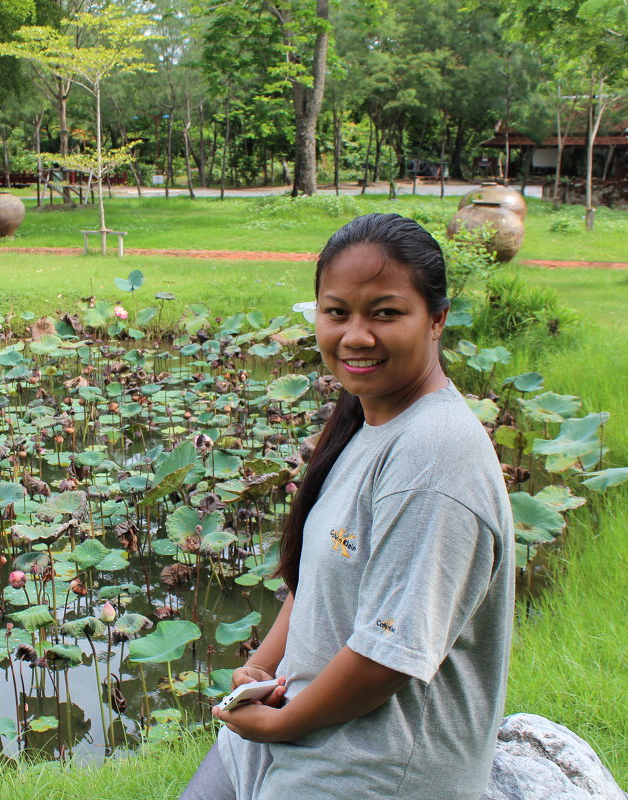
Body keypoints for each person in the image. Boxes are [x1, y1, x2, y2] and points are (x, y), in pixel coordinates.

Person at [180, 213, 514, 799]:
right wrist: (261, 667)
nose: (356, 336)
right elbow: (316, 581)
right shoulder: (367, 421)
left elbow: (386, 658)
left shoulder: (436, 455)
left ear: (437, 319)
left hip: (372, 767)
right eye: (337, 313)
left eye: (385, 313)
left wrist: (282, 723)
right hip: (298, 730)